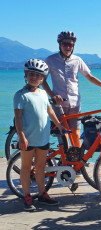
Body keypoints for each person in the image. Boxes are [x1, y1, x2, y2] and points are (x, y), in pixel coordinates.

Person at [42, 31, 101, 147]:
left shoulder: (77, 60)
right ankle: (65, 160)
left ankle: (78, 162)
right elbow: (42, 80)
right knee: (63, 132)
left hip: (75, 102)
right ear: (60, 44)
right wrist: (52, 95)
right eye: (65, 44)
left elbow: (90, 77)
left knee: (75, 133)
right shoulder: (50, 60)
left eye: (70, 45)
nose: (68, 47)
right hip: (59, 103)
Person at [14, 59, 63, 211]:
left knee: (40, 167)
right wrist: (21, 136)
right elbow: (18, 118)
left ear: (42, 78)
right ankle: (27, 196)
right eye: (31, 74)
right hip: (28, 138)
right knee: (26, 168)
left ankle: (42, 194)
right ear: (26, 75)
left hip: (43, 137)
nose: (34, 77)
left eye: (37, 75)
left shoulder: (42, 93)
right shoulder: (20, 95)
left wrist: (59, 126)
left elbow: (49, 111)